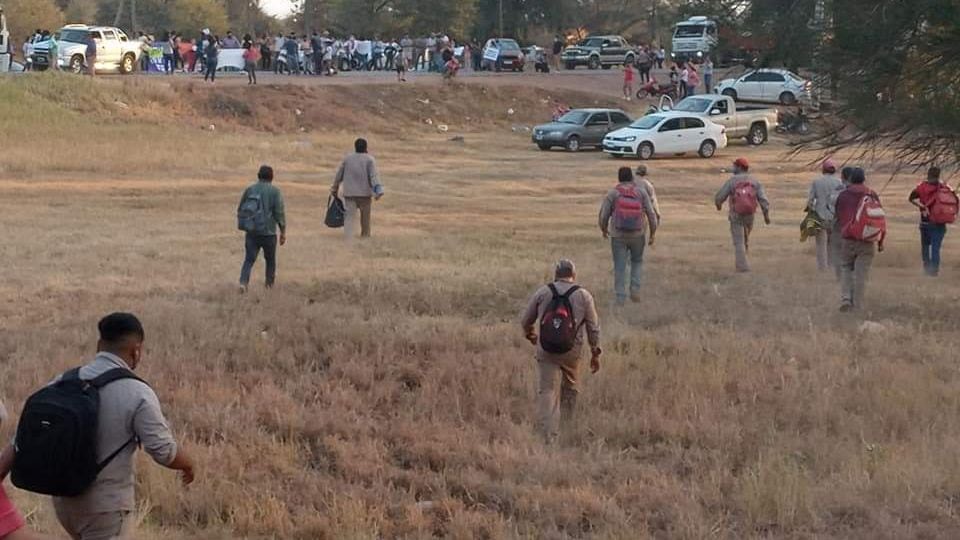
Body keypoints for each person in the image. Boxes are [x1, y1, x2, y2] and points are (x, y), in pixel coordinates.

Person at [0, 313, 195, 540]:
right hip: (106, 507)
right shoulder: (138, 393)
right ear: (137, 350)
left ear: (99, 345)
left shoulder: (62, 381)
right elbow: (163, 451)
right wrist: (189, 465)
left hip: (64, 501)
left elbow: (23, 439)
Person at [520, 260, 602, 444]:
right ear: (574, 274)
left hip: (546, 349)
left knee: (547, 390)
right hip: (572, 351)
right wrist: (595, 353)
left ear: (556, 274)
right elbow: (593, 328)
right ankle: (567, 426)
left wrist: (531, 336)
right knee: (571, 386)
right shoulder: (584, 295)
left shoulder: (543, 292)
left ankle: (548, 434)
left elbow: (526, 320)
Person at [599, 167, 659, 305]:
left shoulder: (613, 193)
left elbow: (604, 215)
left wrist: (603, 229)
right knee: (637, 262)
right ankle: (635, 290)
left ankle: (620, 297)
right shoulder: (641, 192)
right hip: (638, 234)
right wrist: (652, 233)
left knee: (620, 265)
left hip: (618, 235)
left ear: (619, 178)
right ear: (632, 178)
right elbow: (651, 214)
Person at [835, 168, 884, 311]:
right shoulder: (871, 194)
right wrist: (880, 241)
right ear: (864, 179)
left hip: (848, 239)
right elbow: (879, 216)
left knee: (846, 268)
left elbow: (838, 216)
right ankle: (857, 304)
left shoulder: (843, 195)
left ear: (849, 179)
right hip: (867, 239)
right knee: (861, 274)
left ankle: (846, 299)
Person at [714, 157, 771, 272]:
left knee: (738, 242)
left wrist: (718, 205)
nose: (733, 168)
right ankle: (743, 258)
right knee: (744, 238)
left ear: (739, 167)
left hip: (736, 214)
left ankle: (742, 267)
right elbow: (763, 200)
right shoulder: (754, 181)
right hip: (750, 215)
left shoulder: (732, 181)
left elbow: (720, 197)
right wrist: (766, 215)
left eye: (734, 166)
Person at [238, 166, 286, 291]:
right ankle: (269, 287)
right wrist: (283, 232)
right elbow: (279, 213)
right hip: (269, 233)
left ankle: (243, 283)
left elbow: (241, 208)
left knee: (249, 259)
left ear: (258, 175)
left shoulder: (250, 190)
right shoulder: (275, 191)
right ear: (272, 176)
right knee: (270, 261)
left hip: (252, 231)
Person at [331, 138, 384, 240]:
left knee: (349, 217)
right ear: (366, 147)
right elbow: (374, 176)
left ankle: (348, 237)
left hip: (350, 193)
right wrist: (378, 191)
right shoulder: (369, 159)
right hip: (365, 194)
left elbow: (339, 175)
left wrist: (335, 187)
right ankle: (365, 236)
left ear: (355, 147)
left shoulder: (348, 158)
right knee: (365, 219)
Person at [909, 166, 952, 277]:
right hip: (939, 223)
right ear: (938, 175)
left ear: (928, 175)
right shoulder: (944, 187)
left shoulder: (922, 187)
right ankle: (934, 271)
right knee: (935, 248)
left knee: (925, 247)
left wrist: (922, 206)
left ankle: (927, 269)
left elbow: (911, 198)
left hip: (925, 222)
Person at [807, 158, 844, 273]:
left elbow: (810, 201)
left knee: (820, 244)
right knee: (833, 243)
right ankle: (832, 266)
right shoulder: (839, 183)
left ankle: (822, 269)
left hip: (820, 216)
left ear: (823, 169)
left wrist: (810, 214)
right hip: (835, 217)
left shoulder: (816, 182)